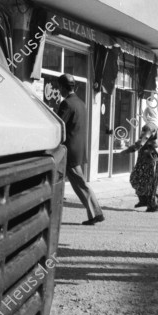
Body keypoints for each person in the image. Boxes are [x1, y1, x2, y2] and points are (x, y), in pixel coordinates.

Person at [57, 74, 105, 225]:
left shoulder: (67, 104)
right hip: (78, 150)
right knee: (74, 183)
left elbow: (58, 125)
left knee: (80, 184)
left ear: (63, 88)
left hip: (68, 152)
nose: (59, 91)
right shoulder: (81, 103)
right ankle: (95, 214)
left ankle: (96, 214)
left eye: (59, 88)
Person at [123, 106, 158, 212]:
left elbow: (141, 143)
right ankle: (150, 202)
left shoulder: (149, 127)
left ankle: (148, 202)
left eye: (145, 114)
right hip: (155, 160)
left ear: (147, 115)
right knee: (152, 182)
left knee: (136, 179)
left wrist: (127, 150)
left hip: (147, 161)